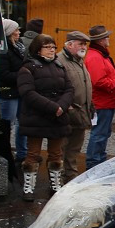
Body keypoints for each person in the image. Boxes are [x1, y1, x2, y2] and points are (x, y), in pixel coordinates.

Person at [16, 34, 72, 201]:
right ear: (38, 49)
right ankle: (29, 188)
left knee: (56, 154)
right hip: (36, 116)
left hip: (57, 117)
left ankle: (56, 185)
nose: (52, 50)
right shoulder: (28, 67)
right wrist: (53, 107)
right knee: (32, 154)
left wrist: (61, 106)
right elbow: (28, 92)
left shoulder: (59, 66)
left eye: (54, 47)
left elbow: (69, 89)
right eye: (48, 47)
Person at [83, 25, 115, 169]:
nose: (108, 39)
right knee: (99, 133)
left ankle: (98, 160)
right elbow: (98, 81)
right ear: (100, 40)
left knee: (102, 132)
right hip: (102, 102)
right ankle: (94, 163)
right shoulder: (95, 57)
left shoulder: (100, 55)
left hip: (105, 101)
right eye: (106, 37)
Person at [59, 31, 93, 184]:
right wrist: (68, 107)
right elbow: (57, 87)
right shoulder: (59, 60)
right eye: (80, 43)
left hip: (82, 112)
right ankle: (58, 178)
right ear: (70, 44)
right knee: (61, 148)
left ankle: (70, 177)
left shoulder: (79, 60)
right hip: (67, 112)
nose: (83, 47)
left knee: (74, 148)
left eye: (85, 44)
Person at [0, 20, 27, 178]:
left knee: (20, 123)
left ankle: (21, 153)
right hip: (8, 94)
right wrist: (24, 75)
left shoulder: (18, 47)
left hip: (17, 92)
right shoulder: (4, 50)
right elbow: (3, 75)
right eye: (16, 29)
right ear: (8, 32)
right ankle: (5, 155)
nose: (19, 32)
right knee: (6, 125)